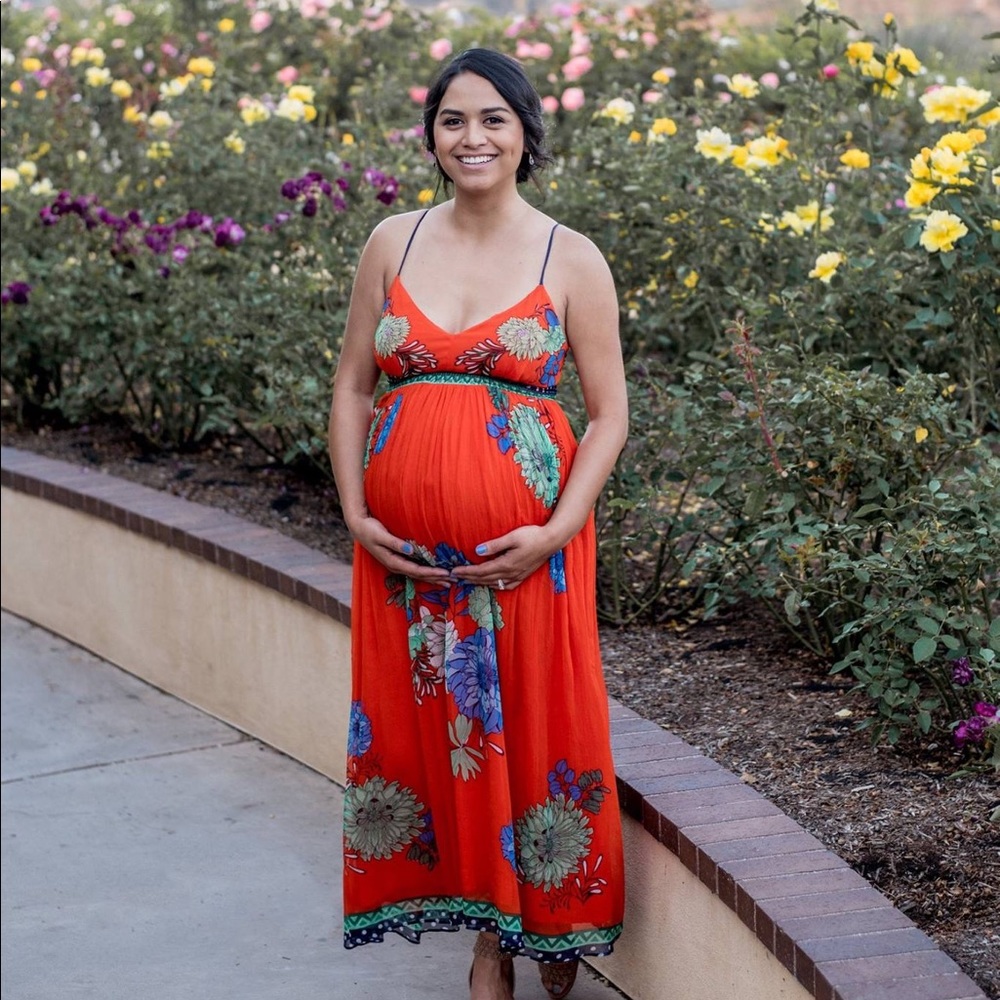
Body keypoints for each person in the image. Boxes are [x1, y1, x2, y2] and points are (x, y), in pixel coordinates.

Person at [328, 47, 628, 1000]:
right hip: (404, 564)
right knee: (438, 743)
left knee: (534, 729)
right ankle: (489, 942)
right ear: (432, 137)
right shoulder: (392, 242)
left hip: (528, 556)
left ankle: (546, 917)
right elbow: (350, 386)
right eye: (453, 121)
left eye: (494, 119)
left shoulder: (569, 256)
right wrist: (356, 511)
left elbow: (610, 415)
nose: (473, 138)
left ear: (527, 132)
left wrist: (555, 530)